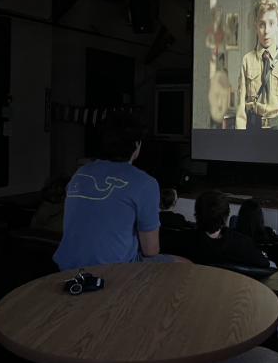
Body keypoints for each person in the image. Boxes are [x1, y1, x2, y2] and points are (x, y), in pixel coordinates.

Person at [53, 113, 190, 270]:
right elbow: (151, 251)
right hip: (113, 271)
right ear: (137, 144)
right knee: (187, 265)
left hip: (66, 268)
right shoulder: (145, 183)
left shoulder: (80, 174)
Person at [236, 0, 278, 130]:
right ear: (255, 26)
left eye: (271, 24)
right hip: (253, 128)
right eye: (262, 24)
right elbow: (241, 110)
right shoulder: (247, 60)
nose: (266, 31)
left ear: (277, 24)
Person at [190, 190, 270, 267]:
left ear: (196, 213)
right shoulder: (243, 243)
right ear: (226, 216)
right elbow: (265, 263)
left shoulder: (184, 241)